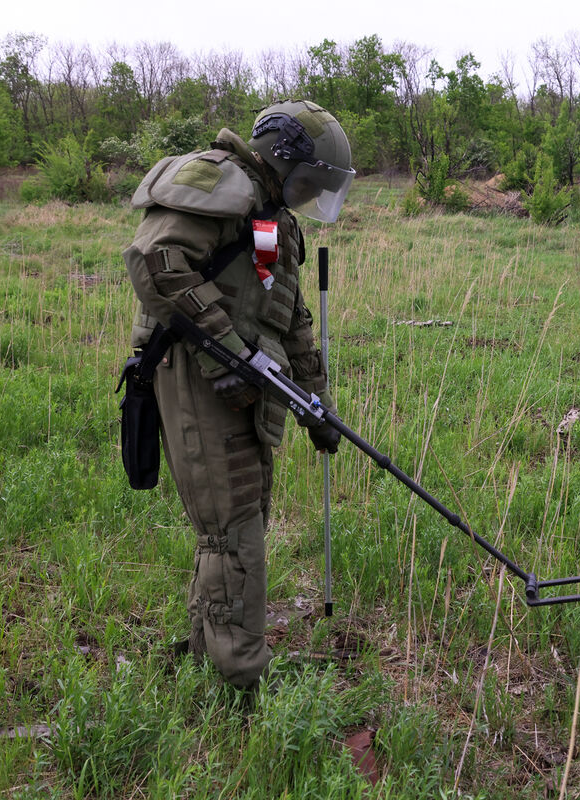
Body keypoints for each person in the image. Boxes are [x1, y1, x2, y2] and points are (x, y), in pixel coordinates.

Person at [122, 100, 354, 687]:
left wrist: (317, 402)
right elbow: (154, 258)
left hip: (247, 382)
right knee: (232, 533)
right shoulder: (216, 180)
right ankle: (239, 684)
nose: (307, 195)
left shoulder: (275, 214)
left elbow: (290, 316)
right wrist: (223, 346)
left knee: (242, 518)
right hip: (197, 376)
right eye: (307, 180)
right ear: (281, 159)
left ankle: (214, 651)